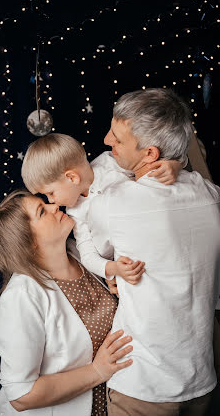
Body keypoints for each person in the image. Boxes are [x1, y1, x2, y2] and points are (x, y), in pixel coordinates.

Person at [80, 88, 220, 415]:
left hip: (144, 387)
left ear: (151, 154)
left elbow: (95, 249)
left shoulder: (113, 203)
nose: (105, 140)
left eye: (117, 138)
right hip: (201, 380)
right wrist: (180, 161)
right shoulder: (212, 194)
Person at [0, 189, 134, 416]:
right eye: (42, 212)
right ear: (28, 241)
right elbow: (21, 395)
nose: (54, 206)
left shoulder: (80, 254)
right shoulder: (21, 296)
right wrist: (96, 371)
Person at [22, 132, 183, 283]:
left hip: (160, 225)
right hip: (134, 256)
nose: (53, 202)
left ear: (72, 177)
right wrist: (114, 268)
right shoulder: (75, 213)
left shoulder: (111, 163)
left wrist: (174, 165)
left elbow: (149, 163)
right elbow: (87, 254)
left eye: (51, 193)